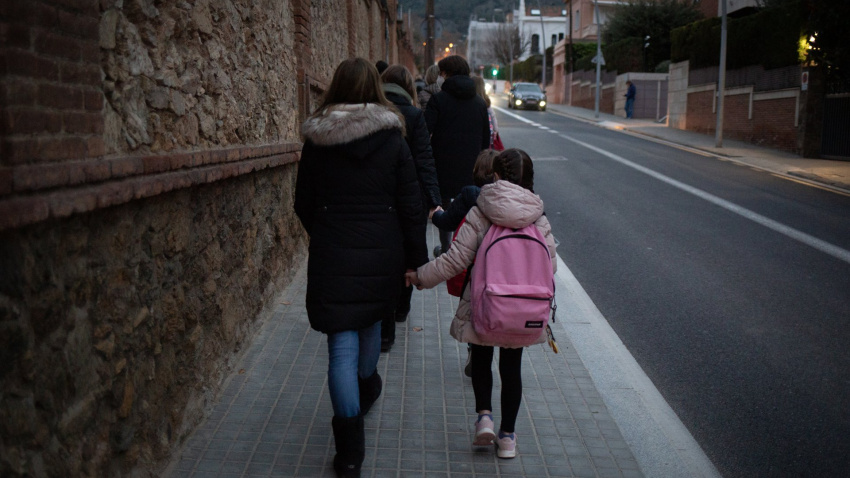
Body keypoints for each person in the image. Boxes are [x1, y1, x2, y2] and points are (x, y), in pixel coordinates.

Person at [295, 58, 428, 478]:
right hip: (381, 251)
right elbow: (410, 204)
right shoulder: (393, 137)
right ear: (374, 88)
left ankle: (350, 453)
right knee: (371, 324)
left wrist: (327, 229)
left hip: (333, 252)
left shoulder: (317, 140)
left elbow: (302, 202)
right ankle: (368, 382)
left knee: (340, 348)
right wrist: (415, 260)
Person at [405, 148, 557, 459]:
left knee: (483, 358)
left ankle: (484, 418)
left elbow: (454, 261)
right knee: (512, 369)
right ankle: (508, 439)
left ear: (496, 177)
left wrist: (420, 276)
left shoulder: (481, 211)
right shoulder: (538, 219)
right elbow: (550, 267)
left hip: (485, 304)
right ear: (530, 181)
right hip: (524, 310)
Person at [380, 64, 442, 351]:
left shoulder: (374, 111)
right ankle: (402, 307)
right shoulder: (415, 115)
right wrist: (433, 200)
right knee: (407, 252)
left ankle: (385, 326)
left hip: (379, 196)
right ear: (408, 87)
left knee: (384, 256)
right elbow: (424, 160)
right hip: (410, 196)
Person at [424, 55, 490, 257]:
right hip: (471, 164)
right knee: (470, 205)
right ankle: (467, 250)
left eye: (442, 74)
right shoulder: (479, 103)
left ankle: (446, 249)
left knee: (444, 206)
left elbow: (425, 131)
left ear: (446, 74)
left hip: (442, 163)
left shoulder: (438, 100)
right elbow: (486, 139)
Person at [472, 76, 500, 150]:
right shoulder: (486, 100)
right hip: (487, 136)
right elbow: (493, 116)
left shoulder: (471, 100)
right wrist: (495, 130)